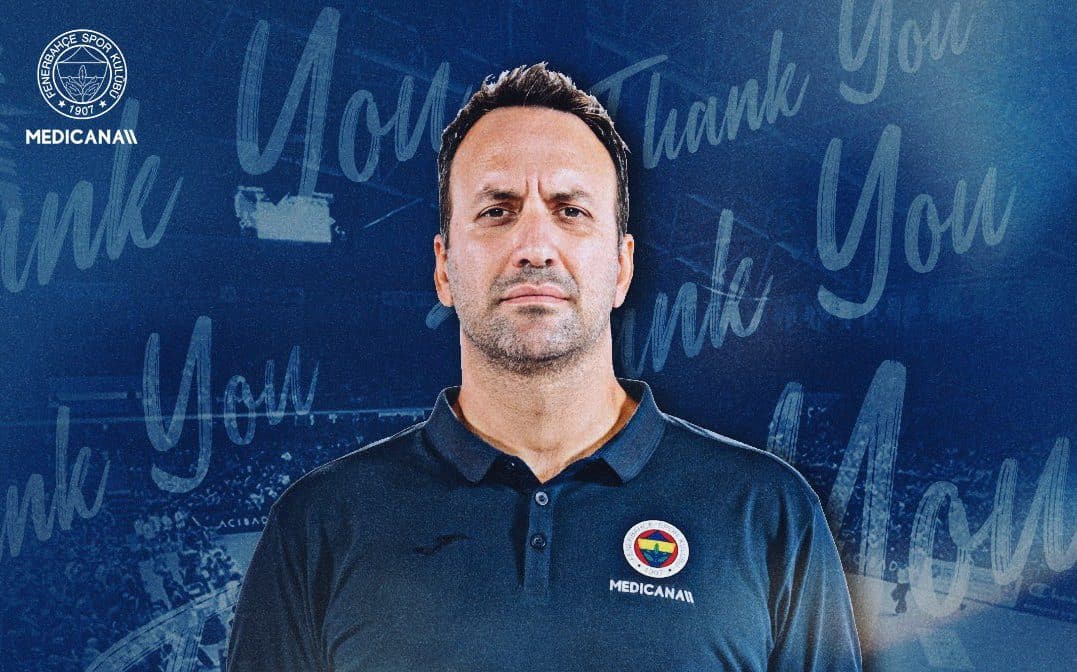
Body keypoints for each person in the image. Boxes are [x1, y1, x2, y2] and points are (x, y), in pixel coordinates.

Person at [226, 63, 862, 671]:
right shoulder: (319, 526)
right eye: (497, 210)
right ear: (444, 267)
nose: (534, 246)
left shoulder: (768, 515)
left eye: (570, 210)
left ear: (623, 266)